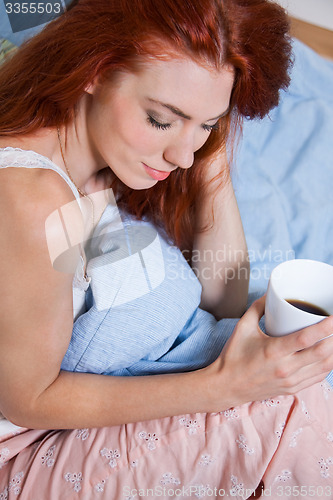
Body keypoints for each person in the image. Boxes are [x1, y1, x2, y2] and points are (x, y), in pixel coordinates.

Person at [1, 0, 333, 498]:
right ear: (93, 68)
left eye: (205, 124)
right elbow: (26, 399)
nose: (181, 154)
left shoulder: (106, 161)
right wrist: (227, 385)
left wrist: (210, 157)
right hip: (24, 449)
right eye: (160, 119)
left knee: (288, 383)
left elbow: (221, 298)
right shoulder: (33, 198)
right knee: (282, 402)